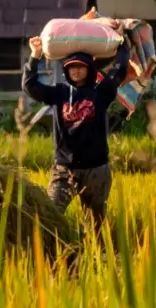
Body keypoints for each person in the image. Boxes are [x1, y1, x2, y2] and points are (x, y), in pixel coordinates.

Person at [22, 36, 130, 231]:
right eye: (72, 67)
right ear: (66, 70)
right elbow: (30, 87)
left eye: (81, 66)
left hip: (96, 170)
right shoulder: (59, 93)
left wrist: (123, 47)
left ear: (89, 69)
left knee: (95, 224)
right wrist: (35, 55)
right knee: (51, 214)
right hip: (64, 169)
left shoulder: (101, 92)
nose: (76, 70)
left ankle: (94, 257)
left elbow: (119, 71)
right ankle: (55, 253)